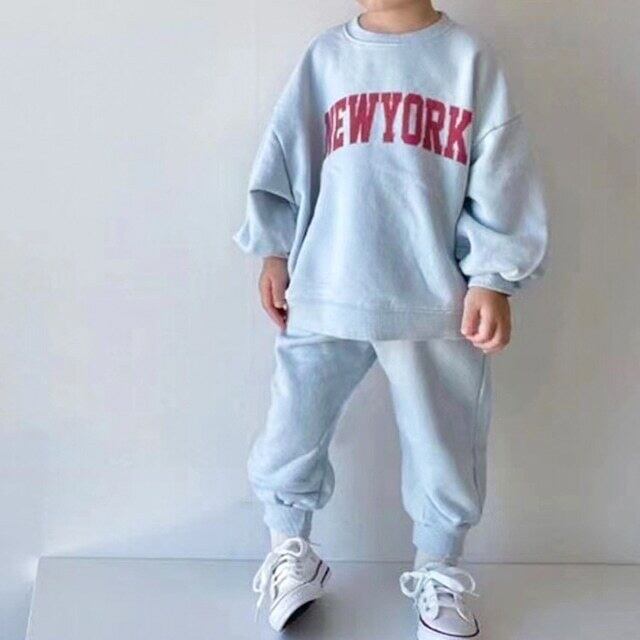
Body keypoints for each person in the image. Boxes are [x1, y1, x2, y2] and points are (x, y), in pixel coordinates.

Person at [235, 1, 549, 637]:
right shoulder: (327, 57)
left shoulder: (467, 60)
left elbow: (502, 173)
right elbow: (287, 157)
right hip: (325, 285)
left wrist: (492, 277)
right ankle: (288, 547)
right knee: (293, 426)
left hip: (434, 298)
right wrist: (273, 249)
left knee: (444, 443)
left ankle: (438, 569)